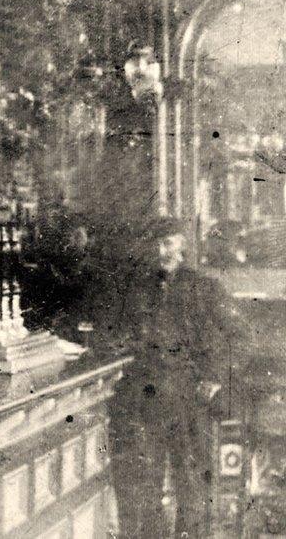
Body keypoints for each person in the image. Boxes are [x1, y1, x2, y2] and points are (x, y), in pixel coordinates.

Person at [105, 217, 252, 537]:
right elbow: (122, 334)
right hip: (149, 399)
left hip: (191, 399)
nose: (162, 251)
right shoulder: (139, 289)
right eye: (157, 244)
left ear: (182, 245)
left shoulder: (203, 287)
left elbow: (241, 337)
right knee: (148, 482)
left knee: (193, 481)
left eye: (169, 242)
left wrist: (215, 378)